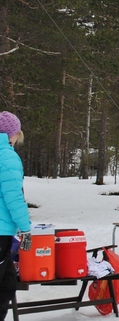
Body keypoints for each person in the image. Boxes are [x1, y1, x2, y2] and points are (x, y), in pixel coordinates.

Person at [0, 112, 32, 320]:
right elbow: (13, 197)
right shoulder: (7, 155)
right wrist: (26, 227)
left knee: (8, 281)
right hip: (1, 231)